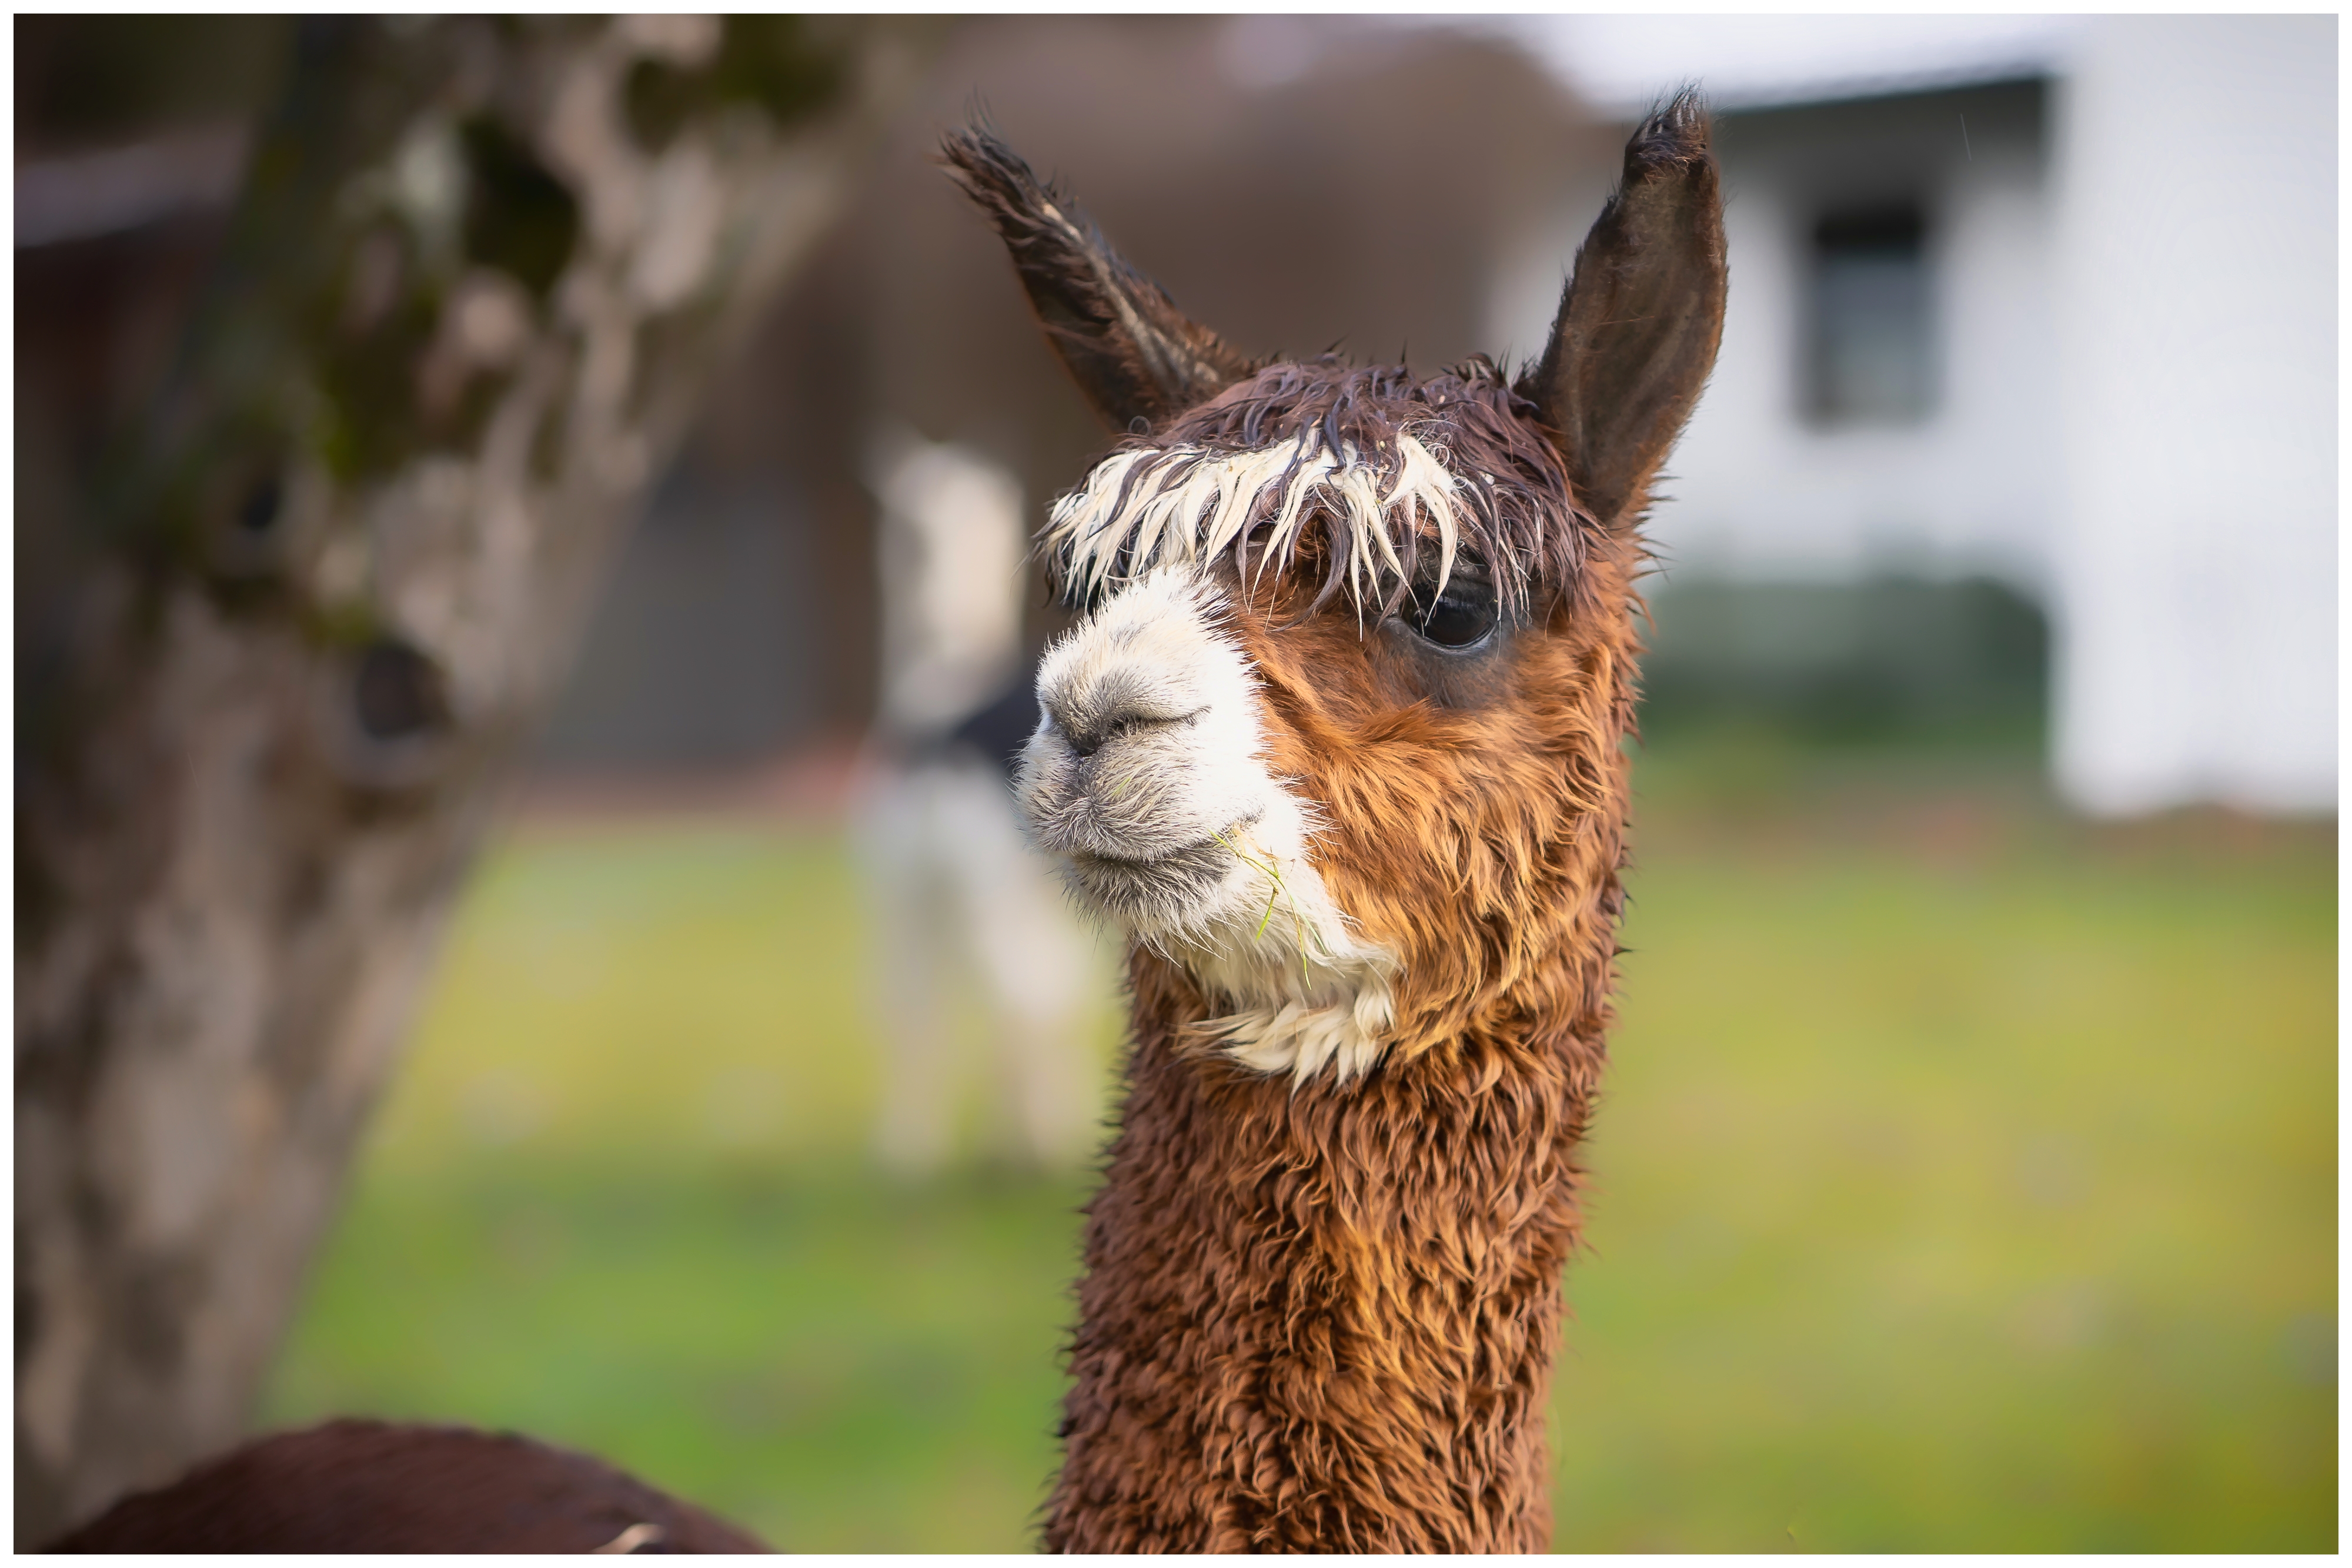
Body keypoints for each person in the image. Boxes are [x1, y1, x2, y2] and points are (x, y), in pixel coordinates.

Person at [854, 432, 1098, 1175]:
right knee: (914, 962)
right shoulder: (905, 741)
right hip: (918, 768)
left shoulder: (1023, 709)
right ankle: (918, 1132)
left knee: (1015, 954)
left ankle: (1036, 1119)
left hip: (971, 773)